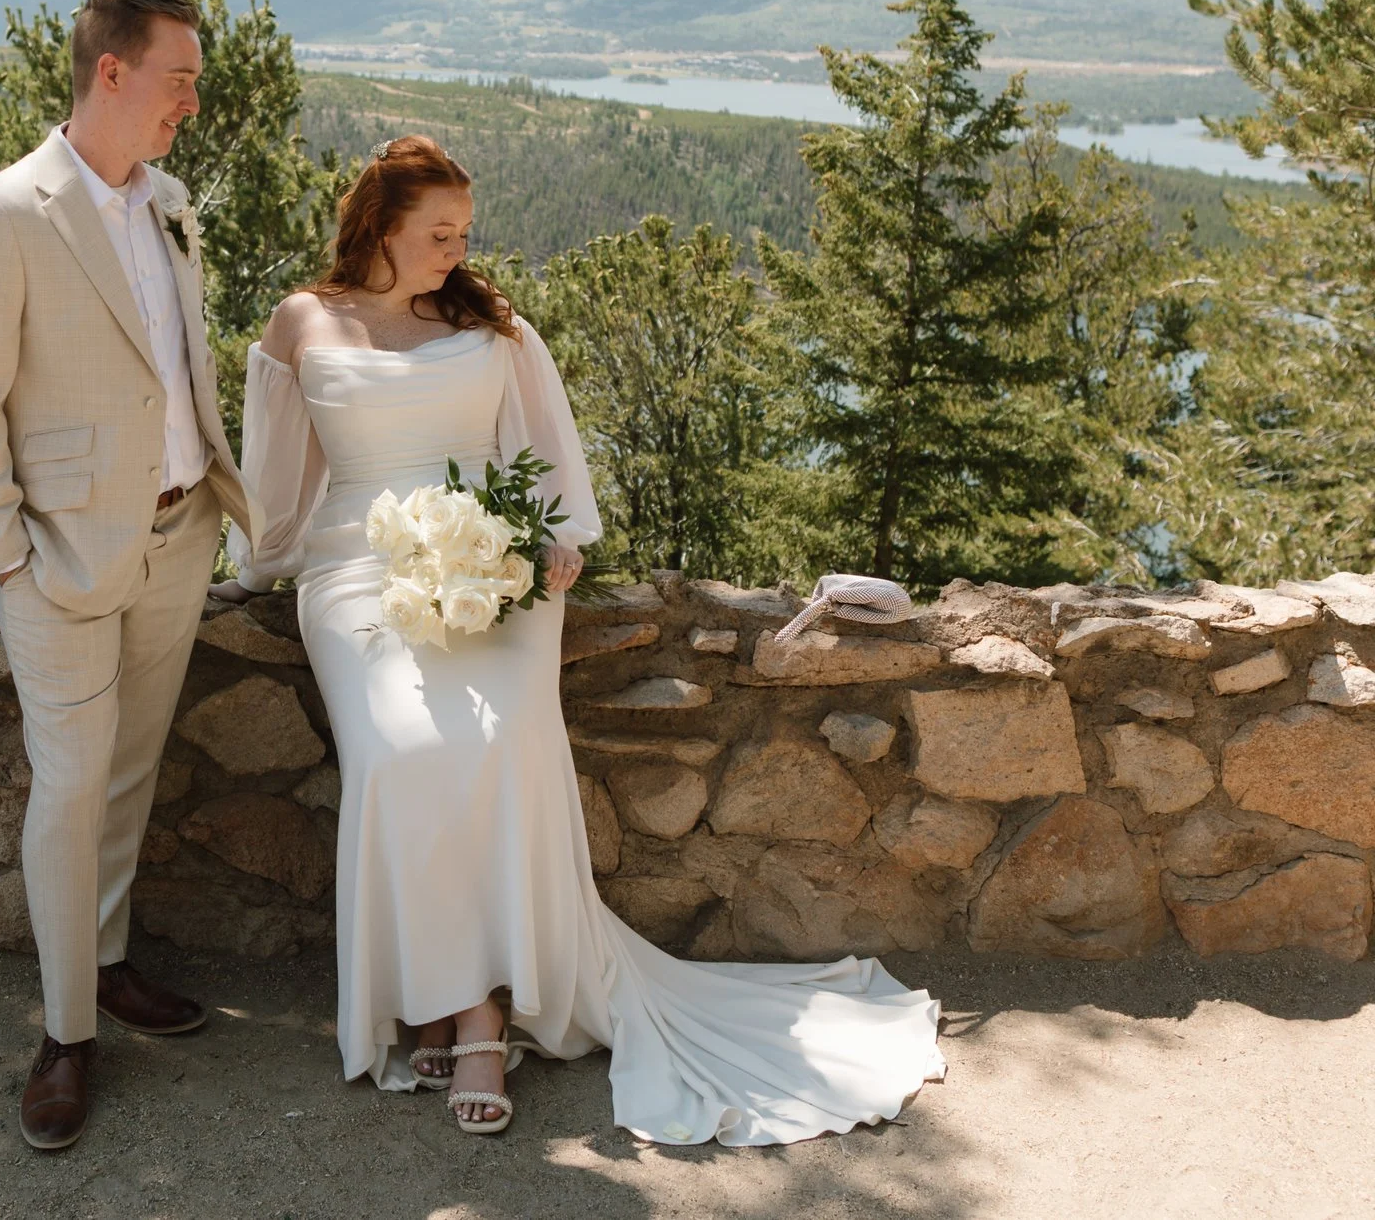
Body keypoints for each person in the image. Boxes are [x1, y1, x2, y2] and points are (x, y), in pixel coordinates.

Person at [213, 134, 943, 1145]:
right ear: (379, 227)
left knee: (501, 743)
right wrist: (257, 568)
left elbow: (547, 460)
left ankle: (477, 1014)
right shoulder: (302, 322)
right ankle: (427, 988)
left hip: (495, 567)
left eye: (464, 232)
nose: (455, 249)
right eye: (437, 232)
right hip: (356, 571)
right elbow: (276, 477)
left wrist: (552, 544)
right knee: (400, 750)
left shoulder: (491, 321)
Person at [0, 0, 250, 1152]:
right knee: (68, 790)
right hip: (56, 561)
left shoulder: (169, 202)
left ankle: (108, 966)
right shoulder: (1, 217)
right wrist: (5, 561)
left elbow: (177, 364)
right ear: (110, 72)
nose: (192, 103)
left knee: (127, 775)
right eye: (180, 78)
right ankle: (65, 1035)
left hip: (176, 537)